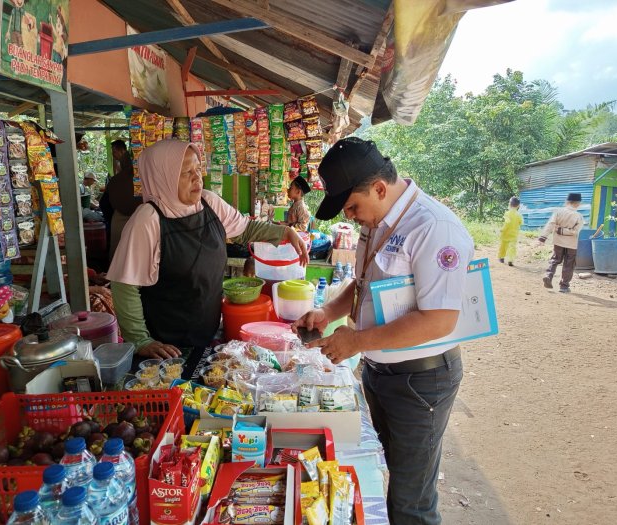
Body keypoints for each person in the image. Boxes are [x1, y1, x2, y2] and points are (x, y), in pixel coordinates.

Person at [293, 137, 473, 525]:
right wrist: (327, 312)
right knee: (394, 471)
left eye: (353, 207)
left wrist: (357, 341)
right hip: (381, 372)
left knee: (411, 501)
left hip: (421, 380)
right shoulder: (378, 221)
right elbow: (363, 283)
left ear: (378, 188)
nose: (351, 216)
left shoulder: (433, 227)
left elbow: (439, 320)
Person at [107, 140, 309, 371]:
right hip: (166, 349)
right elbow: (124, 284)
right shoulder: (147, 220)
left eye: (198, 169)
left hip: (208, 334)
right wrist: (141, 340)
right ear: (163, 176)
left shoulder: (208, 202)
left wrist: (285, 232)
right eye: (186, 172)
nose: (197, 178)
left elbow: (245, 229)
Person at [538, 192, 584, 293]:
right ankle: (564, 286)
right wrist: (565, 231)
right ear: (578, 204)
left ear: (567, 202)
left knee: (555, 260)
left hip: (558, 242)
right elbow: (576, 231)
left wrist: (543, 237)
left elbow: (550, 224)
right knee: (569, 264)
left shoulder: (558, 212)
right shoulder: (579, 216)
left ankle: (548, 276)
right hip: (571, 245)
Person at [107, 140, 142, 260]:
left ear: (122, 151)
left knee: (120, 252)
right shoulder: (120, 175)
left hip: (127, 214)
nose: (113, 155)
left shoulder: (127, 165)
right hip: (132, 213)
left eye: (114, 152)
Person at [498, 196, 523, 266]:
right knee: (512, 248)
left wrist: (502, 230)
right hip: (514, 235)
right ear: (518, 206)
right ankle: (510, 260)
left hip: (505, 234)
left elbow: (507, 223)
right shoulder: (519, 215)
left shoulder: (507, 213)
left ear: (509, 204)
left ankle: (501, 257)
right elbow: (521, 222)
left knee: (503, 246)